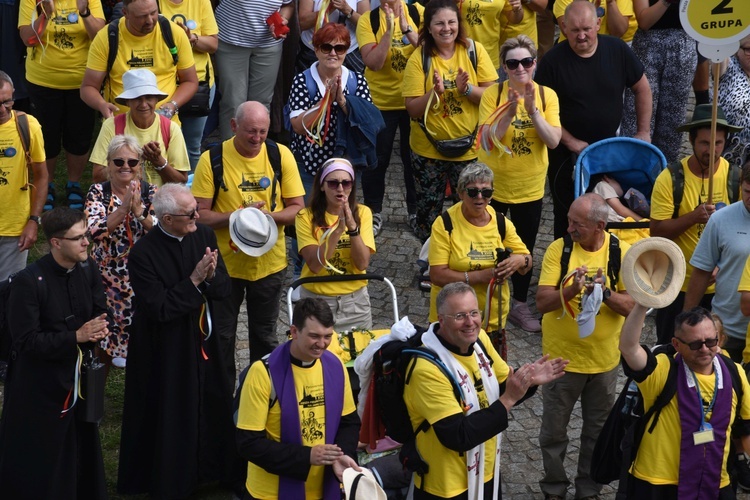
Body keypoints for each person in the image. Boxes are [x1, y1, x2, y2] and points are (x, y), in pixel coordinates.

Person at [117, 183, 234, 497]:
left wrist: (210, 279)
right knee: (170, 410)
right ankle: (171, 478)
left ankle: (214, 470)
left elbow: (223, 289)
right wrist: (195, 281)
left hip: (200, 339)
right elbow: (160, 308)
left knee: (212, 401)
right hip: (164, 347)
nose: (197, 217)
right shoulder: (143, 253)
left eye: (196, 209)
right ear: (166, 219)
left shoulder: (204, 237)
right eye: (190, 214)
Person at [404, 282, 568, 498]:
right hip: (446, 486)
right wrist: (509, 398)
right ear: (441, 320)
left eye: (474, 313)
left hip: (486, 470)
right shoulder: (426, 370)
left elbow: (501, 386)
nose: (470, 322)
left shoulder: (479, 339)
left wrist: (529, 380)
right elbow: (458, 436)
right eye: (460, 316)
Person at [191, 101, 305, 403]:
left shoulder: (280, 155)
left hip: (270, 265)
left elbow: (297, 209)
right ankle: (220, 402)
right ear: (233, 126)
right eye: (250, 132)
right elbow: (199, 214)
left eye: (262, 132)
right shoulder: (212, 158)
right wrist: (238, 217)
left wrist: (265, 218)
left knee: (265, 337)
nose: (257, 138)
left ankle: (261, 398)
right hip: (223, 266)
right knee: (222, 337)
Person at [0, 207, 109, 499]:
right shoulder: (28, 282)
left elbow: (100, 309)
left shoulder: (88, 268)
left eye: (86, 234)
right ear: (56, 243)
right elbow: (25, 342)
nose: (87, 242)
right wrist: (76, 336)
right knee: (44, 455)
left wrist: (98, 329)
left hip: (77, 379)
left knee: (80, 444)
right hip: (39, 387)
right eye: (79, 238)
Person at [535, 193, 634, 500]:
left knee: (597, 434)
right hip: (560, 362)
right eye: (569, 221)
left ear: (599, 226)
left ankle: (588, 490)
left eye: (576, 224)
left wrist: (605, 293)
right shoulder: (559, 250)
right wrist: (572, 289)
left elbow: (632, 306)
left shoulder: (622, 252)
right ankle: (554, 488)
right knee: (553, 433)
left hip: (604, 363)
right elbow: (541, 303)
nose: (569, 229)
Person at [535, 0, 651, 238]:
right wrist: (571, 142)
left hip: (607, 151)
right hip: (565, 153)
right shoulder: (552, 61)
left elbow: (642, 88)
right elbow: (543, 111)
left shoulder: (617, 49)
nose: (581, 36)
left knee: (606, 210)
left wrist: (643, 131)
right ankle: (565, 259)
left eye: (586, 29)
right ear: (564, 28)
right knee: (567, 212)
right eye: (575, 30)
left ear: (598, 24)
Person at [619, 304, 750, 498]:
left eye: (711, 341)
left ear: (719, 338)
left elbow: (746, 427)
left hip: (714, 480)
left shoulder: (734, 372)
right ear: (677, 344)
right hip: (659, 482)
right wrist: (641, 306)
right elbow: (629, 348)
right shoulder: (663, 369)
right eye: (696, 344)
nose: (705, 349)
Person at [236, 297, 361, 499]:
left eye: (328, 336)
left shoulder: (336, 366)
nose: (322, 344)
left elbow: (349, 422)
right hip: (269, 493)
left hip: (323, 489)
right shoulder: (261, 373)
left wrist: (342, 454)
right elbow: (248, 443)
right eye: (314, 336)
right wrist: (307, 456)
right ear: (294, 331)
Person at [477, 35, 560, 332]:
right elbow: (488, 142)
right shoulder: (493, 96)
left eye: (526, 61)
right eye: (513, 63)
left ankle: (520, 303)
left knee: (524, 247)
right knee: (489, 243)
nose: (520, 68)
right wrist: (510, 112)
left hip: (529, 187)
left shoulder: (547, 95)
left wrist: (532, 110)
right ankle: (488, 296)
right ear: (504, 67)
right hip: (493, 186)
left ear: (535, 63)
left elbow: (552, 140)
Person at [402, 0, 498, 242]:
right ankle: (428, 265)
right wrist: (434, 93)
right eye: (440, 23)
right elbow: (412, 109)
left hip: (469, 151)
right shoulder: (419, 58)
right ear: (429, 28)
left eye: (451, 22)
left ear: (459, 24)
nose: (447, 28)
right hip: (428, 152)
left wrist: (466, 90)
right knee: (428, 216)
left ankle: (465, 262)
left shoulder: (474, 51)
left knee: (470, 212)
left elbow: (492, 98)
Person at [650, 104, 741, 344]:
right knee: (673, 347)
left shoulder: (736, 178)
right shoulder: (670, 178)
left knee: (715, 353)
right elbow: (657, 231)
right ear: (691, 140)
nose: (711, 151)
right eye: (704, 143)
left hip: (722, 290)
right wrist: (693, 217)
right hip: (677, 286)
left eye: (718, 144)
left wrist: (721, 267)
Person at [18, 0, 105, 211]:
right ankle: (46, 185)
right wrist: (45, 15)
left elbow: (99, 37)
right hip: (43, 81)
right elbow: (28, 39)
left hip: (82, 83)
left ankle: (73, 184)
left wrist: (84, 12)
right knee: (47, 136)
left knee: (79, 136)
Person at [428, 163, 531, 339]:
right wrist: (480, 276)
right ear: (460, 193)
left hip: (492, 320)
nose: (480, 197)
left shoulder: (500, 222)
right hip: (453, 321)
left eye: (486, 192)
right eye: (473, 192)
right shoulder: (445, 223)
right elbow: (437, 275)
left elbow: (527, 262)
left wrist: (519, 261)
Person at [85, 135, 156, 368]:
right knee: (103, 337)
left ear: (139, 166)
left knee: (145, 339)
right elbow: (95, 231)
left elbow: (160, 233)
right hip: (106, 279)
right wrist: (124, 207)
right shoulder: (98, 192)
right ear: (109, 165)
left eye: (132, 162)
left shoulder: (150, 192)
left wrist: (139, 212)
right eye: (119, 162)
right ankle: (95, 396)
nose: (126, 166)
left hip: (143, 276)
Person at [357, 0, 422, 235]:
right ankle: (373, 212)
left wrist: (406, 29)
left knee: (413, 159)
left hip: (414, 100)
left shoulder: (418, 13)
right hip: (380, 103)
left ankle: (416, 212)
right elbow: (374, 63)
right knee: (376, 161)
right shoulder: (368, 20)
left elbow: (432, 53)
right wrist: (387, 31)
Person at [80, 0, 198, 118]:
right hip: (121, 126)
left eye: (153, 13)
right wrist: (102, 105)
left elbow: (190, 81)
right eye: (141, 16)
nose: (149, 21)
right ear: (125, 13)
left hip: (165, 124)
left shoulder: (173, 32)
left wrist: (172, 105)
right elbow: (88, 87)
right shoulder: (107, 37)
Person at [296, 158, 375, 332]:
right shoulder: (305, 217)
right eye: (333, 183)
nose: (340, 189)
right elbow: (315, 265)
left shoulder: (363, 213)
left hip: (355, 303)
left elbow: (362, 263)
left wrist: (352, 228)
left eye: (346, 183)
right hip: (316, 301)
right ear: (322, 186)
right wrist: (338, 231)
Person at [685, 161, 750, 363]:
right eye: (748, 191)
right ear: (741, 185)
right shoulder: (721, 219)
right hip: (725, 330)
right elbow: (702, 271)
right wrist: (686, 322)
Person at [620, 0, 695, 164]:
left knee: (672, 122)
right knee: (638, 117)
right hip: (648, 46)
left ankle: (665, 176)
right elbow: (644, 22)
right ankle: (631, 174)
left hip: (683, 45)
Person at [89, 68, 190, 185]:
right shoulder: (112, 125)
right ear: (127, 102)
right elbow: (97, 176)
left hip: (160, 201)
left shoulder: (171, 128)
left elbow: (181, 181)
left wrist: (158, 162)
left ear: (156, 100)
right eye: (137, 98)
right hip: (121, 200)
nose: (143, 104)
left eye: (149, 98)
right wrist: (131, 162)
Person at [214, 0, 293, 140]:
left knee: (261, 103)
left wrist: (282, 19)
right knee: (233, 103)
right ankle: (230, 153)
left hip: (268, 45)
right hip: (231, 41)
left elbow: (288, 4)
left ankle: (256, 153)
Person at [159, 0, 218, 171]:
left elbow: (213, 44)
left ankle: (193, 195)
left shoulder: (201, 2)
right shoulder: (152, 3)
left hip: (198, 83)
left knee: (192, 146)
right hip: (164, 84)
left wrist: (192, 39)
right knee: (163, 144)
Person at [0, 71, 47, 281]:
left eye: (7, 101)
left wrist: (33, 221)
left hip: (14, 228)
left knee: (9, 294)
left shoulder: (28, 126)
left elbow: (41, 176)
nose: (2, 109)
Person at [297, 0, 370, 73]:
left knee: (351, 83)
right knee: (308, 82)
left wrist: (347, 10)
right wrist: (328, 8)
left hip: (350, 51)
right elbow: (303, 23)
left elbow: (368, 25)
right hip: (313, 49)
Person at [457, 0, 523, 73]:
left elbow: (515, 20)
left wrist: (517, 8)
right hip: (462, 50)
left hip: (490, 52)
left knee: (491, 84)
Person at [718, 34, 750, 171]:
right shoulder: (729, 66)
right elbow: (718, 50)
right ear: (737, 49)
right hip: (731, 154)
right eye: (748, 49)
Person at [554, 0, 634, 43]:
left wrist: (611, 3)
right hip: (571, 53)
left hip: (605, 52)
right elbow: (568, 31)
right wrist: (589, 10)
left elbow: (618, 32)